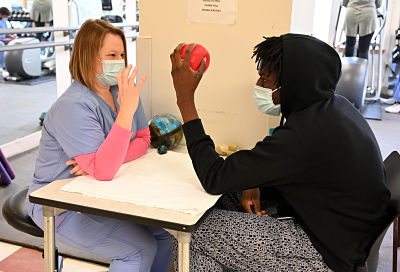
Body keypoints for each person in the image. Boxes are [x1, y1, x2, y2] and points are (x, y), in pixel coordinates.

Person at [169, 34, 392, 271]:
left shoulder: (304, 135)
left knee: (188, 231)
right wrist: (251, 182)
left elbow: (214, 177)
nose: (259, 85)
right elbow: (295, 170)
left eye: (266, 80)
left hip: (324, 253)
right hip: (334, 229)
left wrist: (185, 99)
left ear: (293, 85)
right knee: (217, 204)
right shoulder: (332, 108)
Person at [26, 19, 171, 272]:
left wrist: (105, 160)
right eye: (111, 55)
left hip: (100, 193)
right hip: (61, 204)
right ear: (88, 57)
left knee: (163, 234)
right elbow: (104, 171)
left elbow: (144, 140)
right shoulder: (73, 106)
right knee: (138, 250)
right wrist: (125, 113)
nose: (120, 60)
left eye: (122, 54)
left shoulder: (120, 91)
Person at [0, 7, 16, 76]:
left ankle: (13, 66)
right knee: (2, 46)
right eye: (5, 16)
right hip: (1, 41)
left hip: (4, 40)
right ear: (0, 14)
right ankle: (4, 67)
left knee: (14, 43)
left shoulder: (4, 22)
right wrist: (3, 40)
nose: (6, 18)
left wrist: (11, 37)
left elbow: (6, 33)